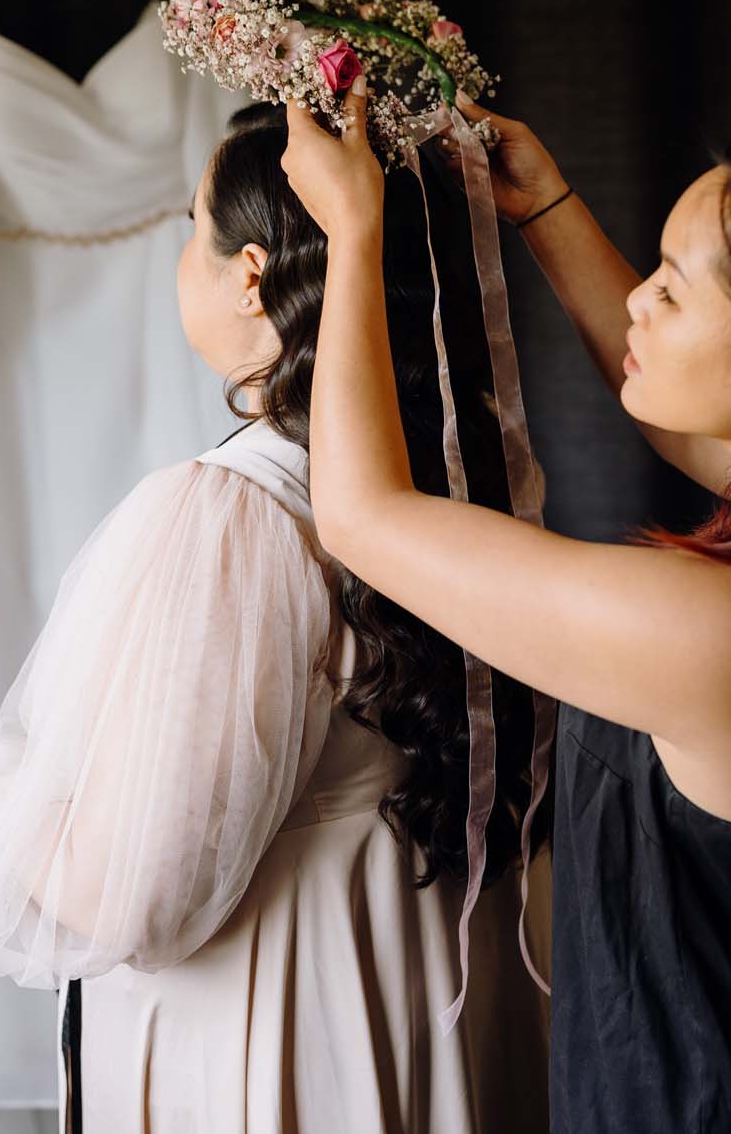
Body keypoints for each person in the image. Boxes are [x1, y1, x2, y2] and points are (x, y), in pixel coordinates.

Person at [0, 103, 553, 1134]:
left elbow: (138, 899)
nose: (179, 258)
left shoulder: (233, 517)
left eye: (186, 225)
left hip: (279, 1019)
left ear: (249, 273)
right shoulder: (467, 485)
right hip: (421, 983)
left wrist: (8, 808)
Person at [281, 77, 731, 1134]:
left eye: (670, 287)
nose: (637, 302)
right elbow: (697, 436)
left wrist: (351, 231)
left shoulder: (700, 634)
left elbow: (362, 517)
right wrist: (545, 210)